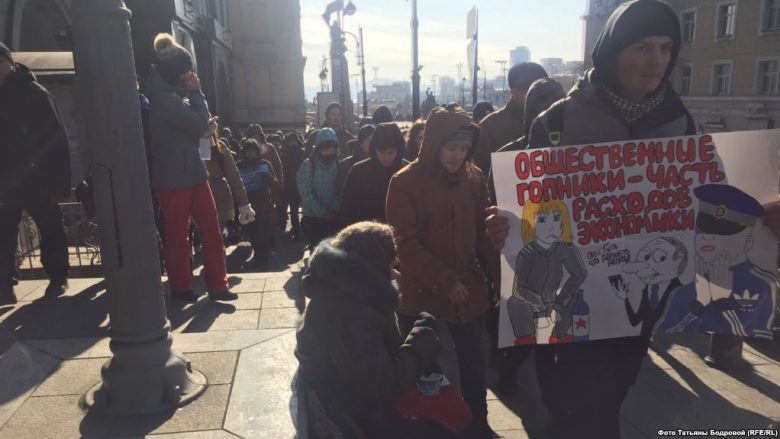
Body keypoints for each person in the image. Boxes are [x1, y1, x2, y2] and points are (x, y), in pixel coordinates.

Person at [486, 1, 700, 436]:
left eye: (665, 47)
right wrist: (503, 226)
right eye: (642, 47)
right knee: (586, 410)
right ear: (613, 50)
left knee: (613, 389)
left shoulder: (680, 122)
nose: (656, 60)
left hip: (639, 301)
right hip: (572, 295)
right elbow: (531, 210)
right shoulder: (558, 121)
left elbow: (696, 205)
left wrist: (758, 220)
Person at [386, 105, 501, 438]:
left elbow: (484, 233)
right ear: (434, 145)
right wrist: (444, 279)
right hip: (421, 291)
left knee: (474, 366)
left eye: (464, 149)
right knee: (423, 368)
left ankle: (477, 423)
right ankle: (428, 426)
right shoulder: (404, 182)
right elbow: (403, 243)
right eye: (451, 148)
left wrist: (499, 276)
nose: (457, 156)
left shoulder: (473, 176)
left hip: (469, 289)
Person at [295, 221, 448, 439]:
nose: (396, 273)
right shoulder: (350, 313)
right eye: (390, 262)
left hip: (350, 405)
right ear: (372, 265)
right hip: (353, 418)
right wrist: (421, 343)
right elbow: (381, 384)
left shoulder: (346, 293)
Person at [146, 33, 236, 302]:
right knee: (181, 235)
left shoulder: (170, 95)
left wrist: (198, 109)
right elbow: (199, 125)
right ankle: (187, 286)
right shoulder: (165, 99)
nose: (190, 76)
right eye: (187, 72)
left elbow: (200, 123)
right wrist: (197, 93)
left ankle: (213, 285)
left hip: (190, 172)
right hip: (175, 177)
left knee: (207, 231)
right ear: (176, 72)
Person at [0, 42, 71, 304]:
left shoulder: (34, 93)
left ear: (9, 62)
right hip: (6, 179)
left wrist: (59, 183)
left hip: (38, 177)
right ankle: (5, 284)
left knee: (50, 228)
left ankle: (58, 276)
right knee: (3, 233)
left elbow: (56, 138)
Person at [472, 62, 548, 174]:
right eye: (530, 89)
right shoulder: (490, 127)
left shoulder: (558, 119)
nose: (537, 95)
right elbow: (480, 176)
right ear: (513, 92)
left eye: (544, 89)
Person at [340, 123, 407, 227]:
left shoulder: (407, 172)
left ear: (399, 150)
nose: (386, 157)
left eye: (391, 152)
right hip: (365, 236)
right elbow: (346, 210)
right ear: (374, 149)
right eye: (381, 152)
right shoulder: (358, 172)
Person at [236, 138, 279, 268]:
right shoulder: (239, 166)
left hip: (264, 204)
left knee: (262, 232)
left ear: (257, 152)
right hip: (247, 205)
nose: (250, 154)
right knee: (252, 233)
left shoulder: (265, 164)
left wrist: (269, 178)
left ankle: (262, 259)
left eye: (253, 151)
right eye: (247, 152)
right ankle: (258, 254)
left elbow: (275, 183)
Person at [297, 128, 341, 247]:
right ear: (318, 148)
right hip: (313, 219)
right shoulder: (309, 165)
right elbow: (306, 193)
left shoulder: (339, 164)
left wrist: (333, 208)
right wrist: (322, 212)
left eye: (332, 149)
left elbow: (340, 190)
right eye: (326, 149)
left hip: (334, 217)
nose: (329, 153)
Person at [205, 138, 254, 237]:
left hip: (216, 201)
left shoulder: (215, 145)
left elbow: (233, 176)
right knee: (212, 240)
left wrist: (243, 203)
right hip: (212, 200)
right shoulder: (189, 144)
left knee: (212, 240)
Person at [280, 133, 305, 239]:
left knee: (295, 209)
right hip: (295, 185)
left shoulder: (283, 154)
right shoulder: (302, 152)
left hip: (291, 185)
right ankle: (298, 229)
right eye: (291, 141)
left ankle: (297, 229)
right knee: (297, 209)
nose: (292, 143)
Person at [336, 123, 375, 193]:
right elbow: (341, 190)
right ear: (360, 142)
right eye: (368, 140)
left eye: (374, 140)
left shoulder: (381, 162)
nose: (372, 143)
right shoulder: (346, 164)